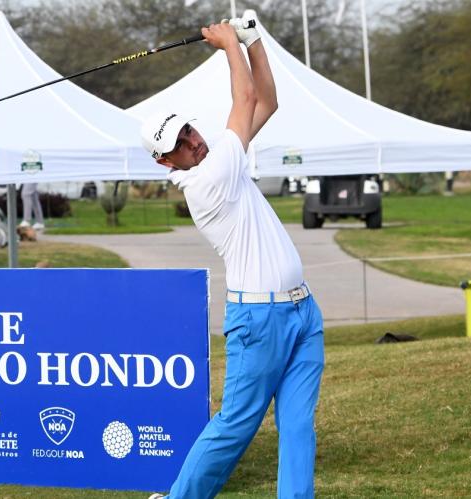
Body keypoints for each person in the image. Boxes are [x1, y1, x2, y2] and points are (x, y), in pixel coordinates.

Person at [144, 13, 324, 499]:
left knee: (298, 425)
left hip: (302, 311)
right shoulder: (206, 179)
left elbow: (267, 101)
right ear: (165, 161)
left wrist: (253, 40)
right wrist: (228, 45)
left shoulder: (222, 154)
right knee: (235, 425)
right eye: (179, 144)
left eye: (188, 130)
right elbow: (244, 99)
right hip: (259, 320)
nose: (192, 140)